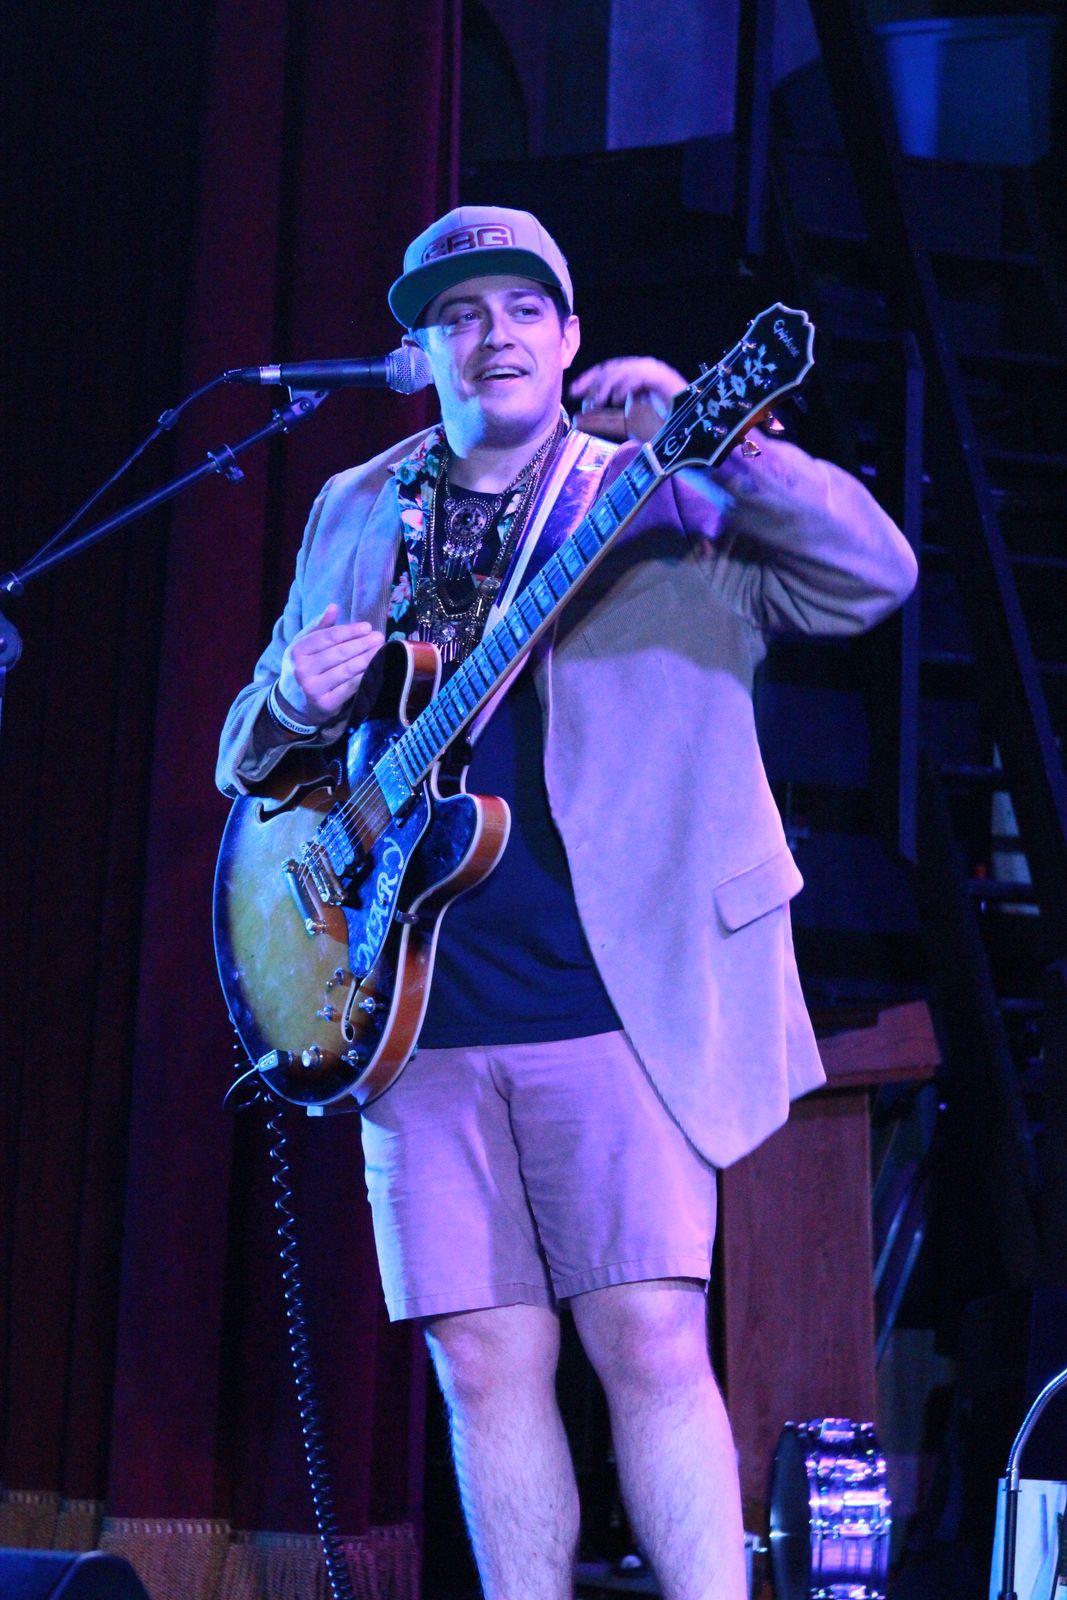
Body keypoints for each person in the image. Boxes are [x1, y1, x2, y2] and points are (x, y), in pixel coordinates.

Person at [217, 205, 917, 1600]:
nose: (495, 335)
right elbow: (248, 749)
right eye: (460, 315)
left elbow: (873, 574)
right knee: (481, 1362)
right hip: (403, 1000)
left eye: (524, 309)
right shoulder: (355, 506)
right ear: (424, 352)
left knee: (648, 1336)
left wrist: (734, 446)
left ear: (571, 336)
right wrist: (287, 698)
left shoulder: (658, 483)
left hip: (616, 989)